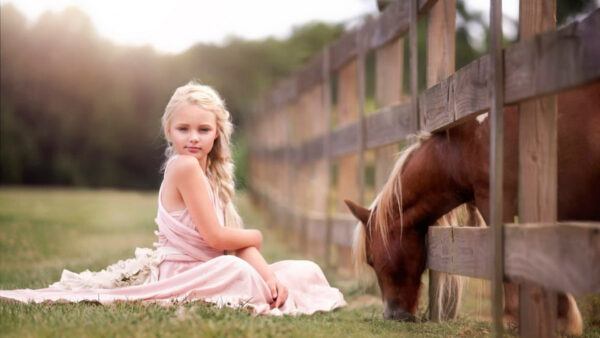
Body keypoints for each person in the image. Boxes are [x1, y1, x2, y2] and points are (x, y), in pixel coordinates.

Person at [0, 81, 346, 315]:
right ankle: (256, 284)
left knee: (303, 271)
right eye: (184, 129)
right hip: (185, 271)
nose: (193, 138)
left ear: (216, 134)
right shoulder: (183, 167)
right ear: (169, 130)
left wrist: (268, 277)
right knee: (234, 268)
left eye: (203, 130)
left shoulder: (209, 173)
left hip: (213, 267)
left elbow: (232, 244)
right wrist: (257, 236)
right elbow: (217, 239)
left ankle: (266, 285)